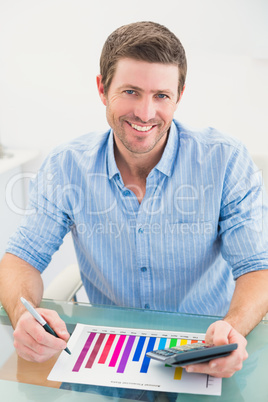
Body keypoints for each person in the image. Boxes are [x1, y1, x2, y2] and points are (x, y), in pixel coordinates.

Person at [0, 21, 268, 380]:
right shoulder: (66, 166)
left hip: (205, 351)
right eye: (130, 91)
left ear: (179, 96)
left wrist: (232, 328)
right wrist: (24, 316)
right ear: (102, 88)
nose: (145, 113)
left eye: (161, 95)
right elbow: (20, 261)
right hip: (109, 356)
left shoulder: (226, 160)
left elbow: (257, 268)